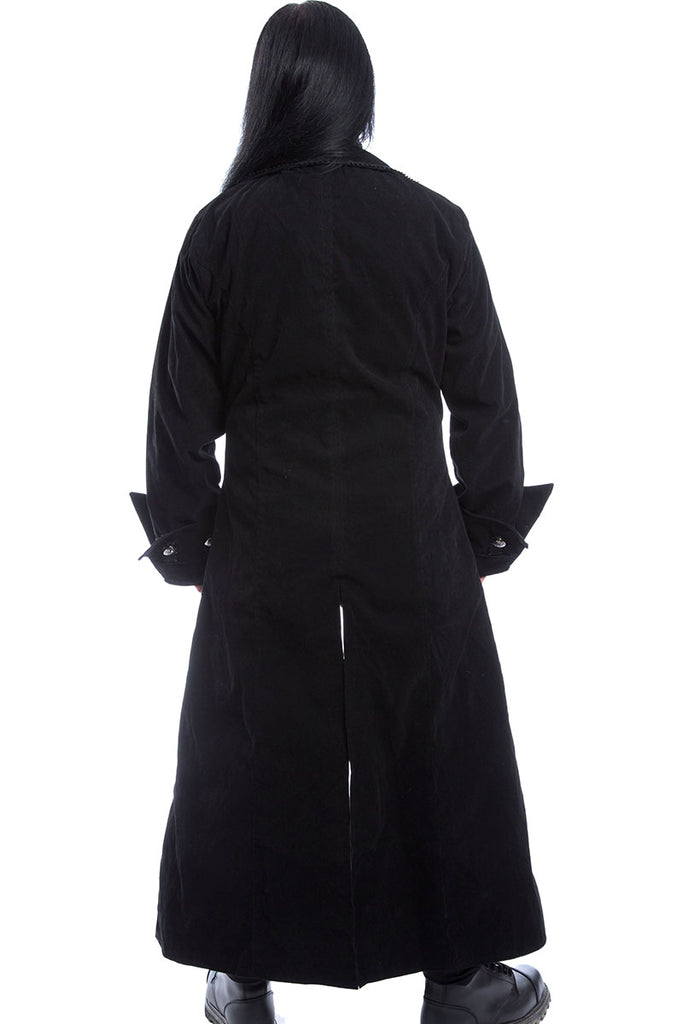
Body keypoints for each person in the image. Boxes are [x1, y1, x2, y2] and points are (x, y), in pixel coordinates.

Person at [130, 3, 554, 1022]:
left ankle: (243, 980)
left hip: (263, 540)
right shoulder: (433, 222)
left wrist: (188, 541)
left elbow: (178, 416)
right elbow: (486, 398)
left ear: (267, 93)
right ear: (358, 96)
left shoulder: (219, 233)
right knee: (440, 744)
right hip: (411, 534)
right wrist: (485, 529)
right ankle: (460, 983)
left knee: (247, 746)